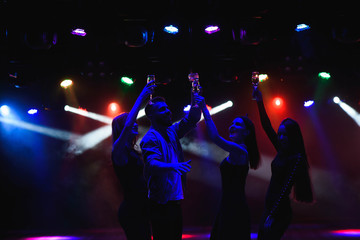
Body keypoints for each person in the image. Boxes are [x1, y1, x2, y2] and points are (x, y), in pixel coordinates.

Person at [253, 88, 314, 240]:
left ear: (292, 136)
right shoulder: (282, 151)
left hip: (279, 211)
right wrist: (260, 102)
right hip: (270, 208)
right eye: (279, 134)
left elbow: (284, 189)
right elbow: (267, 127)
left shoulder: (296, 159)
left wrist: (272, 214)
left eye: (285, 134)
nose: (281, 137)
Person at [140, 93, 203, 240]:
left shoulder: (172, 131)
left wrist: (194, 98)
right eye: (162, 109)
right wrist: (173, 166)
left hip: (174, 201)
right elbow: (151, 163)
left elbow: (193, 118)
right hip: (160, 203)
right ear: (151, 115)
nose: (168, 111)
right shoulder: (150, 138)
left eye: (167, 107)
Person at [201, 101, 260, 240]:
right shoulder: (236, 151)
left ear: (246, 132)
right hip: (227, 205)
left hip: (235, 208)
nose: (232, 126)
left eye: (238, 124)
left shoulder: (241, 151)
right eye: (232, 123)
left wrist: (205, 109)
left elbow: (215, 137)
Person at [111, 80, 156, 240]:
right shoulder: (118, 151)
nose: (134, 123)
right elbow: (129, 123)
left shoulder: (133, 150)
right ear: (122, 128)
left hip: (142, 208)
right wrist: (142, 96)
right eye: (129, 122)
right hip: (131, 211)